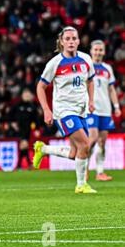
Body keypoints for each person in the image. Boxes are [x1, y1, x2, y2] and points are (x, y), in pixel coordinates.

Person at [33, 26, 97, 194]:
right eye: (67, 39)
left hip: (81, 110)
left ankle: (43, 149)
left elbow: (90, 81)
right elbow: (40, 86)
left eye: (74, 38)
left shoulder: (86, 59)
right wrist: (47, 110)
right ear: (61, 42)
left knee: (75, 152)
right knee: (85, 144)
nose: (71, 42)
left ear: (78, 41)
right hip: (64, 110)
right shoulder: (55, 63)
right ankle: (81, 185)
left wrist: (91, 100)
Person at [86, 40, 121, 181]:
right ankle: (84, 167)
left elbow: (111, 89)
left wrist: (116, 106)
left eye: (101, 50)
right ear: (91, 51)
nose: (98, 52)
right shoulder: (86, 67)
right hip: (91, 109)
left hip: (106, 110)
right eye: (96, 49)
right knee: (92, 139)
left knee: (102, 142)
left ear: (104, 52)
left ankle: (100, 172)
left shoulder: (107, 69)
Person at [10, 88, 40, 170]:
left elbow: (36, 118)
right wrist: (12, 123)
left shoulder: (32, 106)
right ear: (22, 95)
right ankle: (28, 164)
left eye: (28, 94)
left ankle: (20, 165)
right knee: (24, 145)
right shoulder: (18, 105)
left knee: (23, 146)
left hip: (28, 129)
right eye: (25, 94)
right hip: (19, 129)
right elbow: (10, 114)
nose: (26, 96)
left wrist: (37, 128)